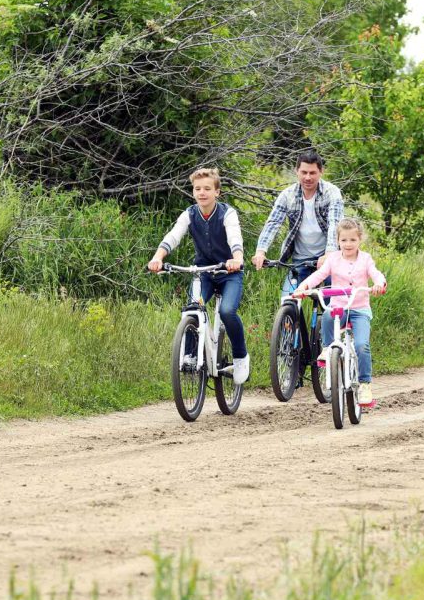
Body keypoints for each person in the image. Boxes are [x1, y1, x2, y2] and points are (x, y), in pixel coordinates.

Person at [148, 167, 250, 383]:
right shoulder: (189, 214)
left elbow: (234, 236)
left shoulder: (227, 213)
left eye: (207, 189)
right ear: (193, 192)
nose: (202, 193)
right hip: (203, 273)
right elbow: (174, 235)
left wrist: (237, 258)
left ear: (217, 192)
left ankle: (241, 357)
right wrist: (158, 257)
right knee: (192, 310)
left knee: (227, 311)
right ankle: (190, 356)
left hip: (228, 272)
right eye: (197, 189)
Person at [293, 218, 387, 408]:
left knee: (362, 345)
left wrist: (379, 284)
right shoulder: (333, 259)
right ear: (338, 241)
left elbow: (375, 273)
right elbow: (319, 275)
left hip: (359, 310)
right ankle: (328, 349)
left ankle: (365, 385)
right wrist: (304, 287)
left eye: (352, 240)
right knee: (327, 315)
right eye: (344, 240)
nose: (348, 244)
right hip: (339, 308)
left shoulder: (366, 259)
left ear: (360, 239)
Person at [250, 151, 345, 295]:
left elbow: (335, 224)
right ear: (297, 172)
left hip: (329, 257)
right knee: (288, 299)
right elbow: (273, 223)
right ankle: (294, 316)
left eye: (312, 173)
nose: (308, 177)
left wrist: (329, 254)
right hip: (300, 259)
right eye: (304, 172)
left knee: (331, 305)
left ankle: (328, 316)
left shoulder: (331, 192)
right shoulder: (288, 195)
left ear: (321, 172)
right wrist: (260, 252)